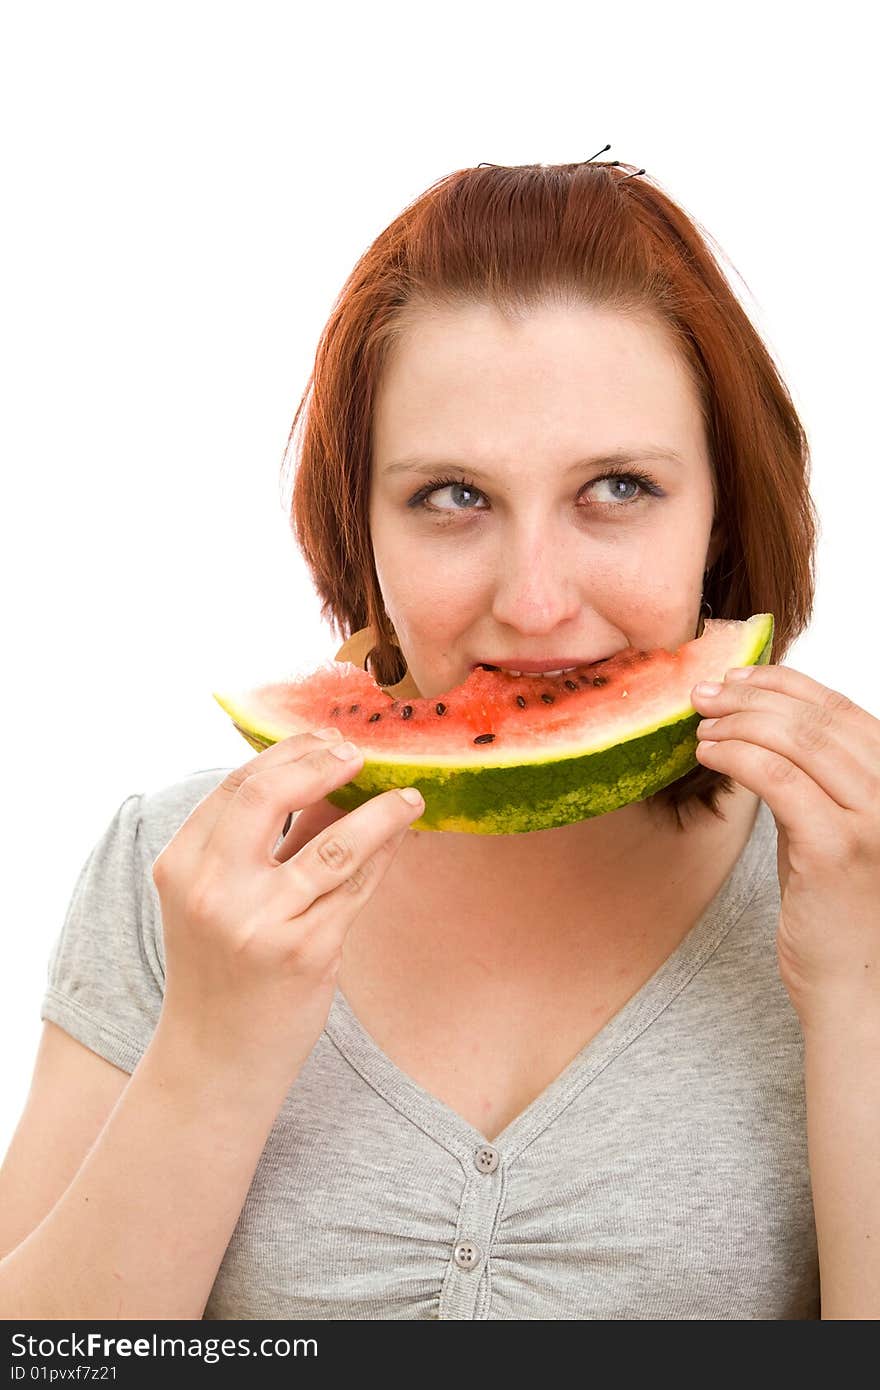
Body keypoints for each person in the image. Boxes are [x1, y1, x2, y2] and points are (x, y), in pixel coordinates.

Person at [1, 158, 877, 1321]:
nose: (535, 599)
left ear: (723, 510)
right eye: (452, 496)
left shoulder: (849, 870)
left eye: (617, 486)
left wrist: (859, 986)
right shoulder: (188, 870)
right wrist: (214, 1045)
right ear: (357, 525)